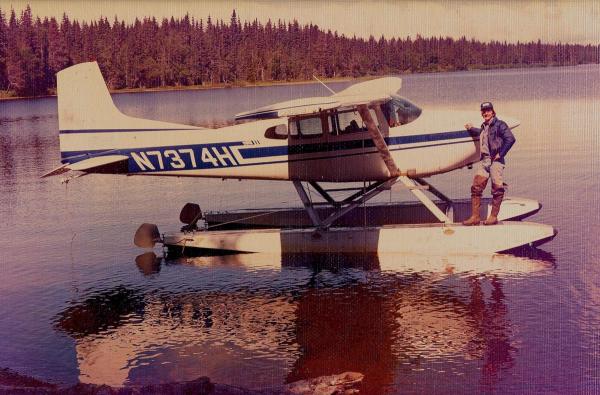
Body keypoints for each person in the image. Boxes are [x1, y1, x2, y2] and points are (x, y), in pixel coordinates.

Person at [462, 102, 516, 226]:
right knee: (476, 188)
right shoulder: (485, 126)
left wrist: (501, 154)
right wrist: (471, 128)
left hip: (495, 161)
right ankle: (475, 217)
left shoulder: (500, 125)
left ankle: (493, 217)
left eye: (488, 110)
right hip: (484, 161)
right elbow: (482, 133)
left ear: (493, 112)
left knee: (497, 189)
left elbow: (510, 139)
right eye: (483, 111)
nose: (486, 113)